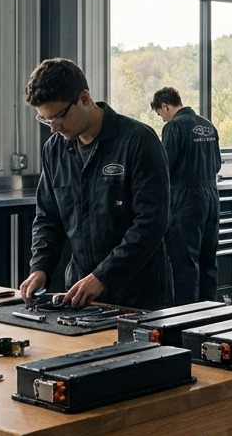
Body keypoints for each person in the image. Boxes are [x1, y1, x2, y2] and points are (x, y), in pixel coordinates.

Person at [19, 58, 173, 309]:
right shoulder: (54, 150)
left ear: (84, 98)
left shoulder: (138, 141)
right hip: (80, 293)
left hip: (137, 294)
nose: (53, 128)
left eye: (58, 117)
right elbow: (49, 218)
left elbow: (151, 223)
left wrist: (103, 276)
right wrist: (40, 268)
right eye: (45, 120)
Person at [152, 87, 223, 304]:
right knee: (208, 258)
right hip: (211, 197)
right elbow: (217, 164)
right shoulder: (207, 125)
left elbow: (165, 167)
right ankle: (208, 311)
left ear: (165, 106)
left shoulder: (174, 127)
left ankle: (186, 316)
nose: (162, 119)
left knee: (184, 260)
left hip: (185, 200)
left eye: (160, 114)